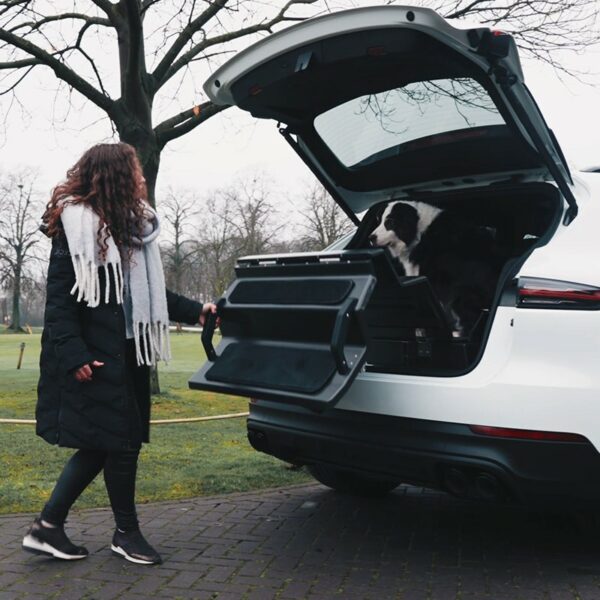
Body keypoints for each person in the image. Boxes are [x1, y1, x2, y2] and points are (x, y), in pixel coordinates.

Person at [22, 142, 216, 565]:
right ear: (114, 176)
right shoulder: (75, 227)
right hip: (93, 357)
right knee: (119, 442)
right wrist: (74, 356)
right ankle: (123, 533)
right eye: (134, 170)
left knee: (107, 442)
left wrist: (196, 311)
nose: (141, 177)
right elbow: (60, 302)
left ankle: (49, 527)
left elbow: (148, 293)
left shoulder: (132, 229)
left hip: (127, 352)